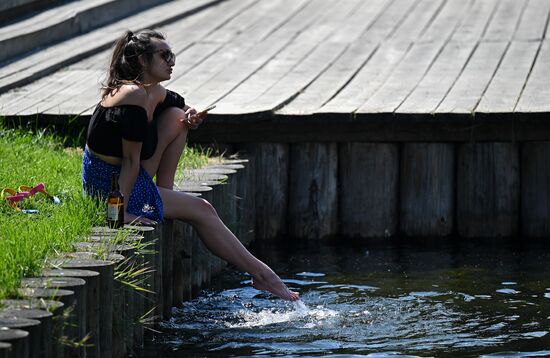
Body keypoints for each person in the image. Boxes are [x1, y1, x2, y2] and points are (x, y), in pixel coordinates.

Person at [82, 29, 299, 301]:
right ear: (141, 60)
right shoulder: (133, 95)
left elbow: (181, 107)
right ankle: (263, 275)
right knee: (203, 209)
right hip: (109, 185)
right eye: (165, 56)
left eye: (172, 55)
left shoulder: (154, 91)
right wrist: (119, 214)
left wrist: (192, 116)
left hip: (128, 175)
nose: (172, 61)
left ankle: (165, 192)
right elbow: (129, 160)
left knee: (177, 117)